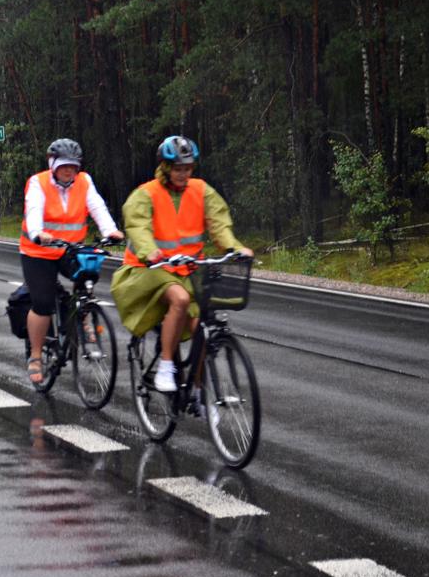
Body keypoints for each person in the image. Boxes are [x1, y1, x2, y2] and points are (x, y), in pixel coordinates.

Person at [111, 135, 253, 393]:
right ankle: (166, 366)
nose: (183, 174)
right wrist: (149, 251)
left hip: (188, 271)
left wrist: (234, 247)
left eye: (188, 168)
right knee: (180, 299)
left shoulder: (201, 190)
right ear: (165, 168)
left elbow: (219, 222)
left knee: (201, 329)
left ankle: (198, 392)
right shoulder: (146, 194)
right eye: (178, 168)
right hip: (149, 269)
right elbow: (138, 225)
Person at [19, 138, 124, 385]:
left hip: (70, 249)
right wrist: (38, 233)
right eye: (64, 166)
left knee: (89, 271)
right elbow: (34, 210)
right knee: (43, 303)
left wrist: (110, 230)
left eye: (73, 166)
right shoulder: (38, 183)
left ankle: (84, 315)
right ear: (53, 165)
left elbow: (97, 207)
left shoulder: (84, 181)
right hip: (38, 251)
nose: (69, 170)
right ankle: (35, 356)